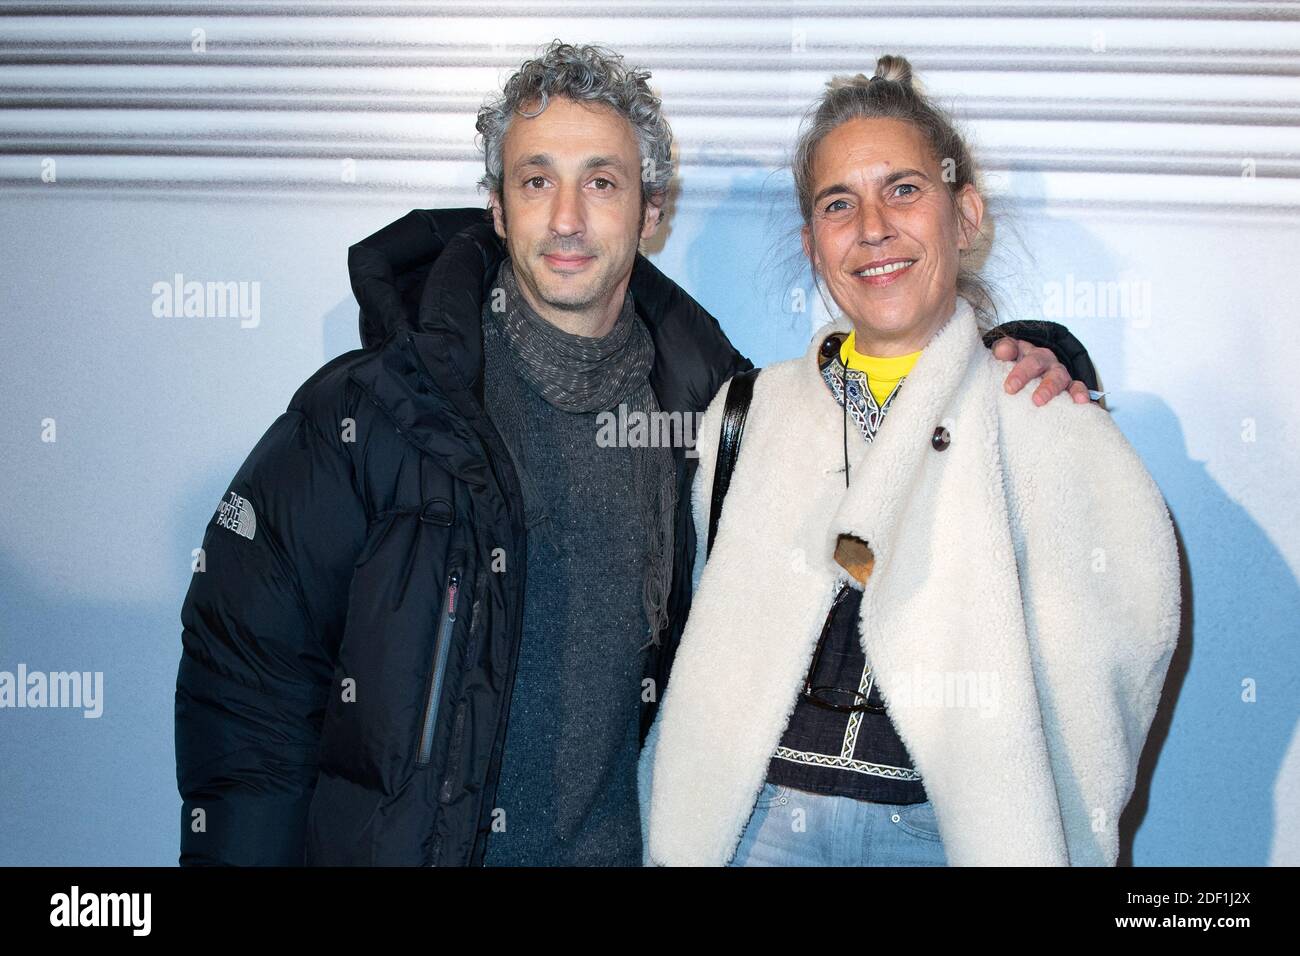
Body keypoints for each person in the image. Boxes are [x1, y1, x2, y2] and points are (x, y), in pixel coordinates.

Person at [175, 41, 1093, 867]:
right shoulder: (373, 412)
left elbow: (890, 414)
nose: (567, 218)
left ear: (652, 210)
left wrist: (1028, 353)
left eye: (602, 182)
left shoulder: (720, 414)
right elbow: (248, 684)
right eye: (537, 182)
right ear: (496, 207)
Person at [638, 55, 1181, 867]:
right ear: (812, 243)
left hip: (939, 841)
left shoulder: (1044, 419)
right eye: (837, 203)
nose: (872, 228)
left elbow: (1117, 663)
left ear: (964, 213)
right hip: (755, 833)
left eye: (903, 189)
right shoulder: (744, 414)